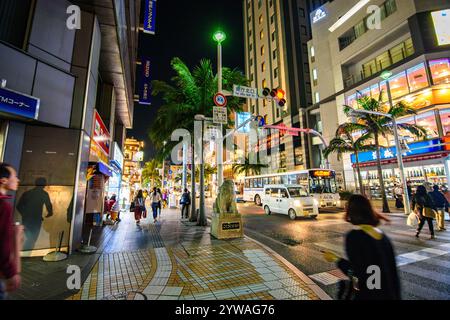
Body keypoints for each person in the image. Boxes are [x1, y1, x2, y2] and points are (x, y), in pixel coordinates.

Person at [322, 194, 400, 300]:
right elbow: (393, 275)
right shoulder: (382, 236)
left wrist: (337, 259)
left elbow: (355, 272)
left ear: (351, 212)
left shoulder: (354, 237)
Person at [0, 163, 23, 300]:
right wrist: (11, 273)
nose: (18, 179)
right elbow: (2, 245)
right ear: (3, 180)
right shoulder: (4, 207)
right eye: (15, 176)